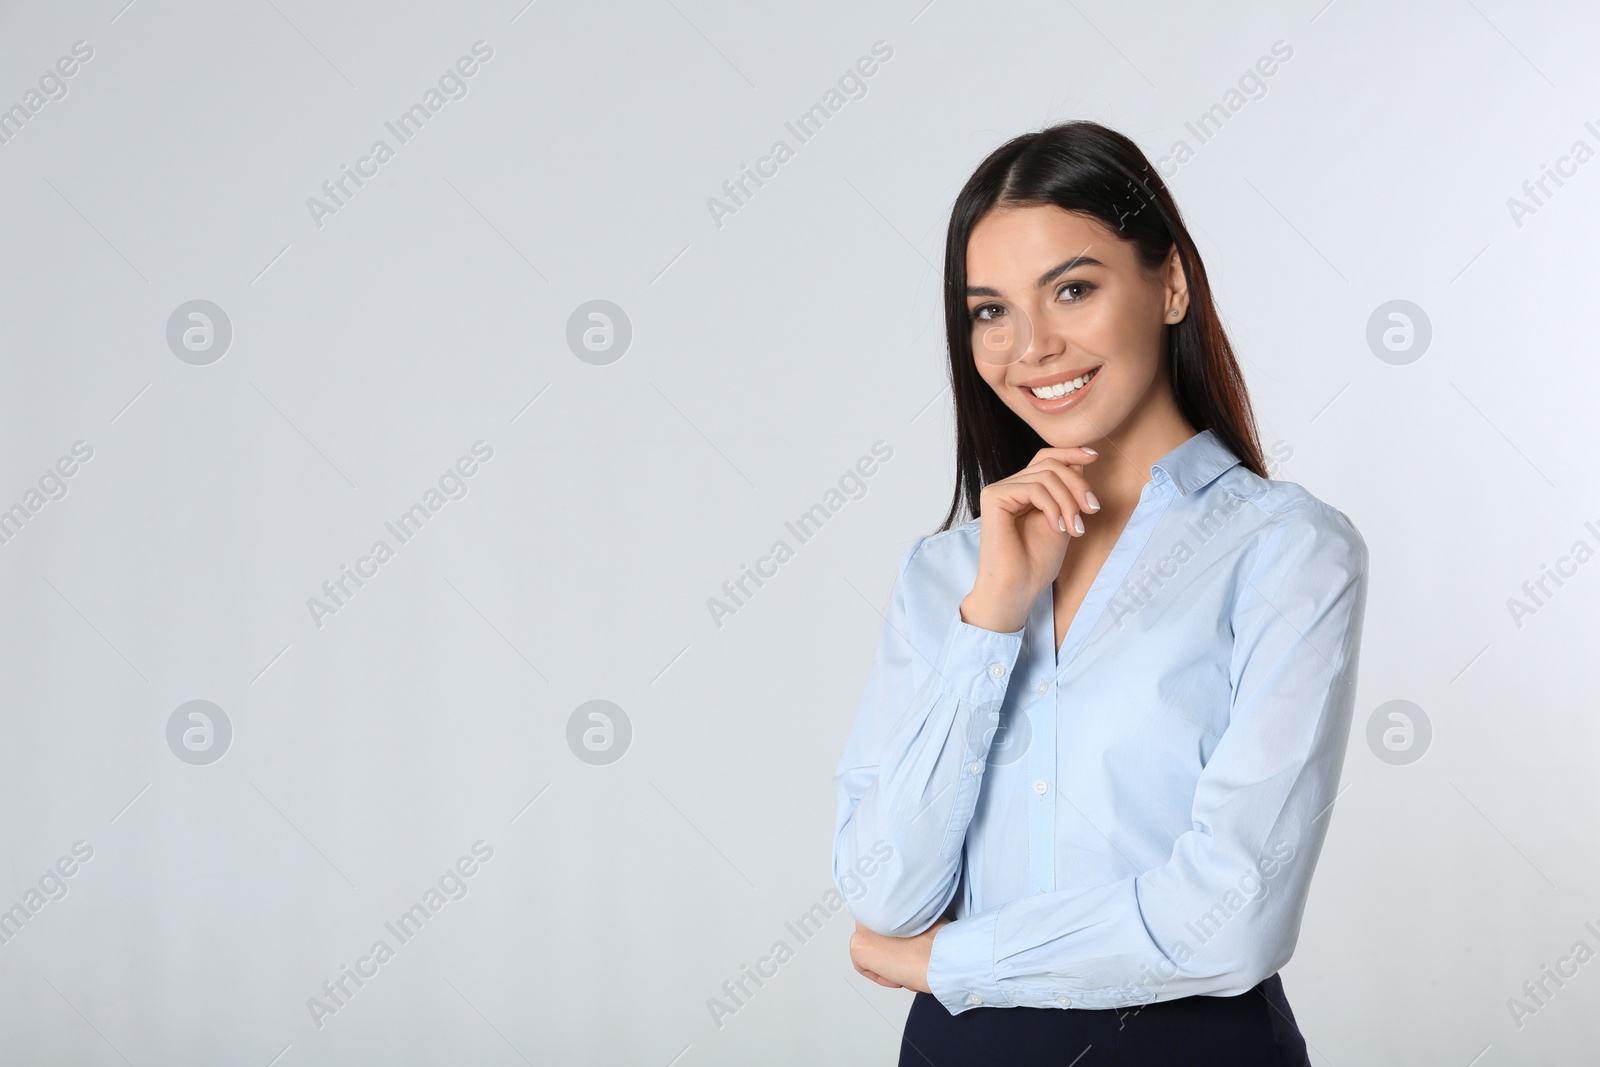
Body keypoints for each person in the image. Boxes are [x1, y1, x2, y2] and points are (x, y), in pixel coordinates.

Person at [830, 121, 1369, 1066]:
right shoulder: (946, 576)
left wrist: (947, 962)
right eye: (989, 310)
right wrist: (994, 615)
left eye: (1072, 289)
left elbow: (1229, 918)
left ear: (1170, 285)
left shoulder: (1285, 549)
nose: (1030, 346)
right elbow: (885, 894)